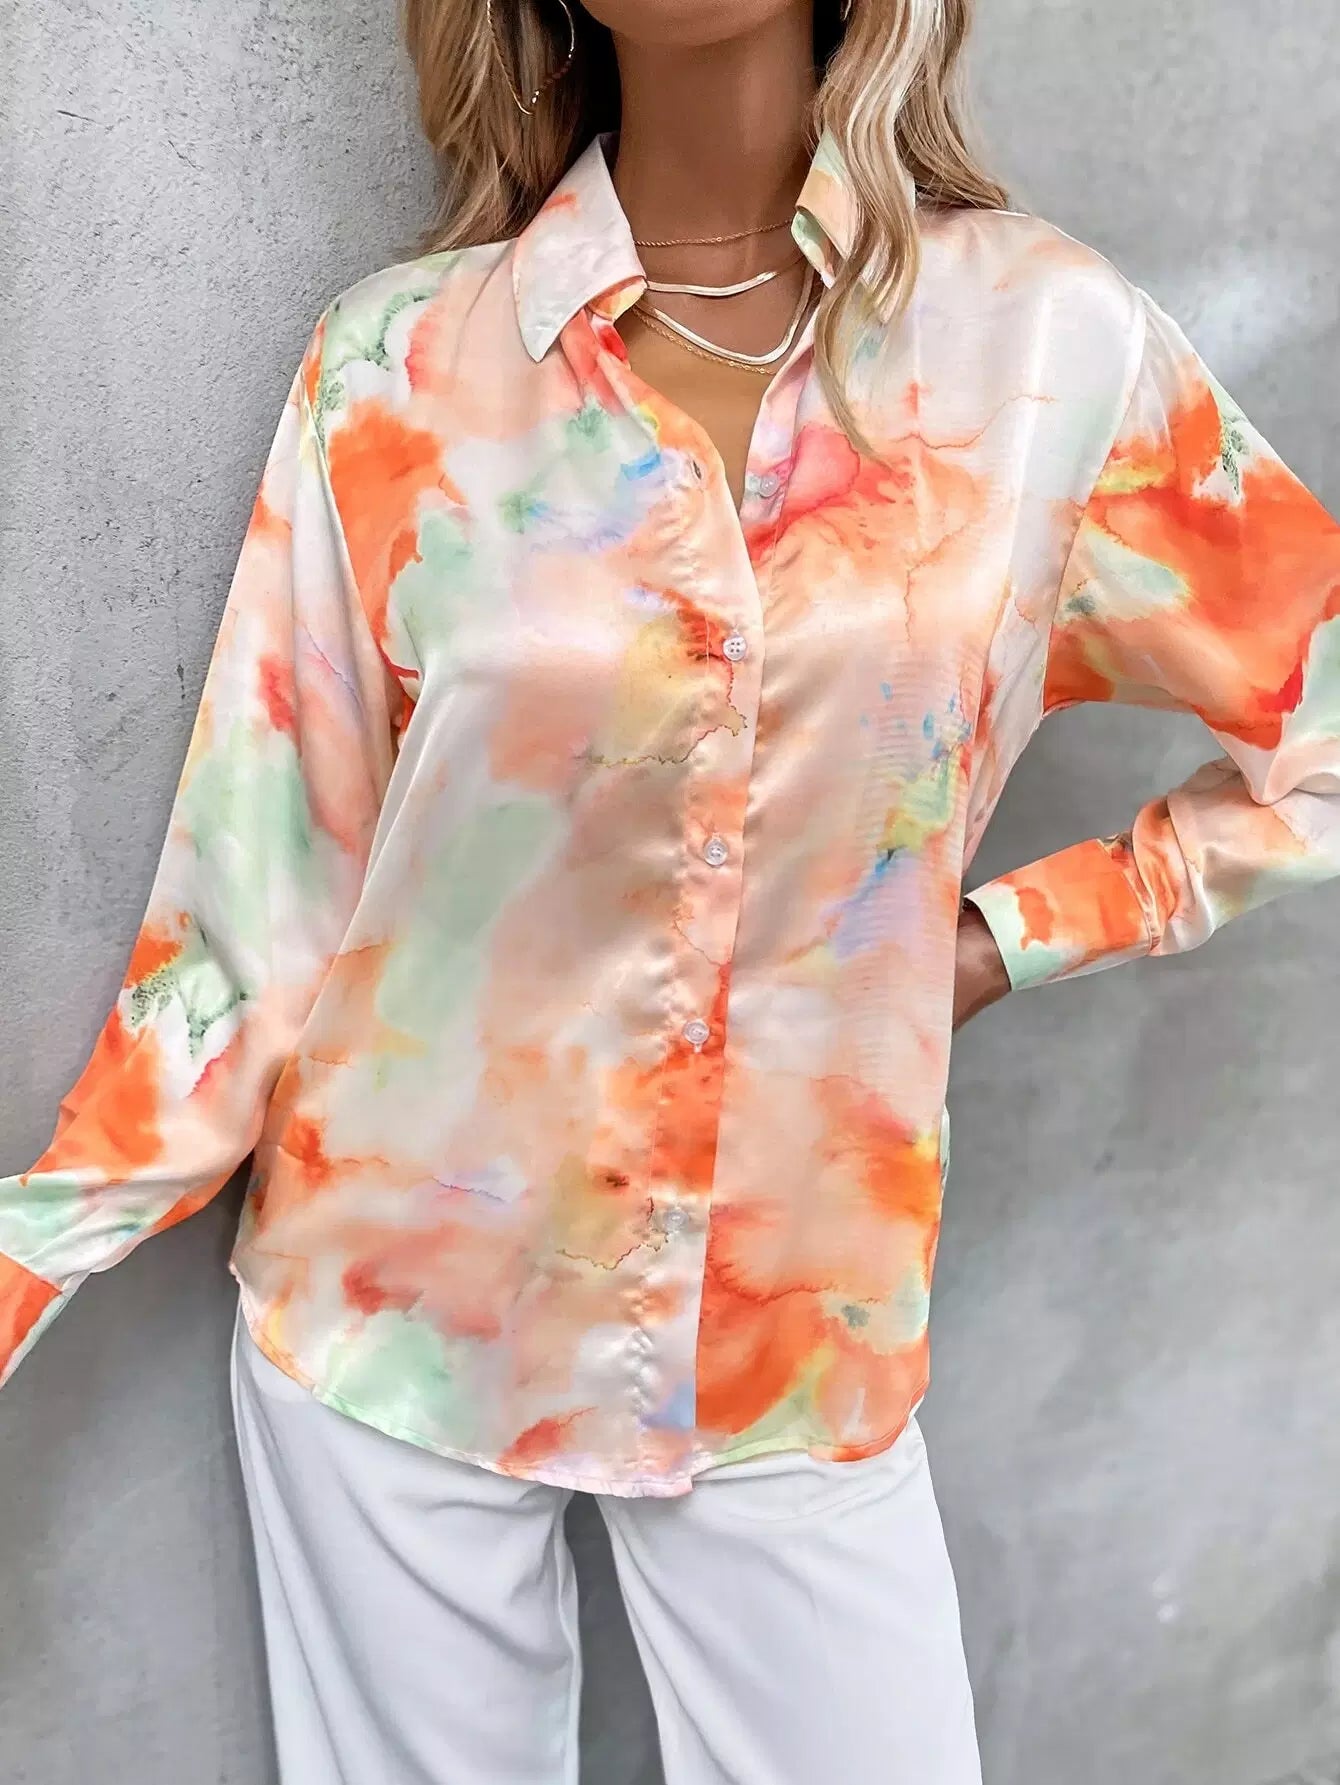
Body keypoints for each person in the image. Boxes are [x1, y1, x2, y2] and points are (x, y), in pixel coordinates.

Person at [3, 0, 1338, 1779]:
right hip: (392, 1312)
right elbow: (252, 913)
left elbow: (1321, 715)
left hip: (796, 1321)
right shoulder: (399, 369)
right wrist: (33, 1247)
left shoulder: (1041, 349)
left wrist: (996, 941)